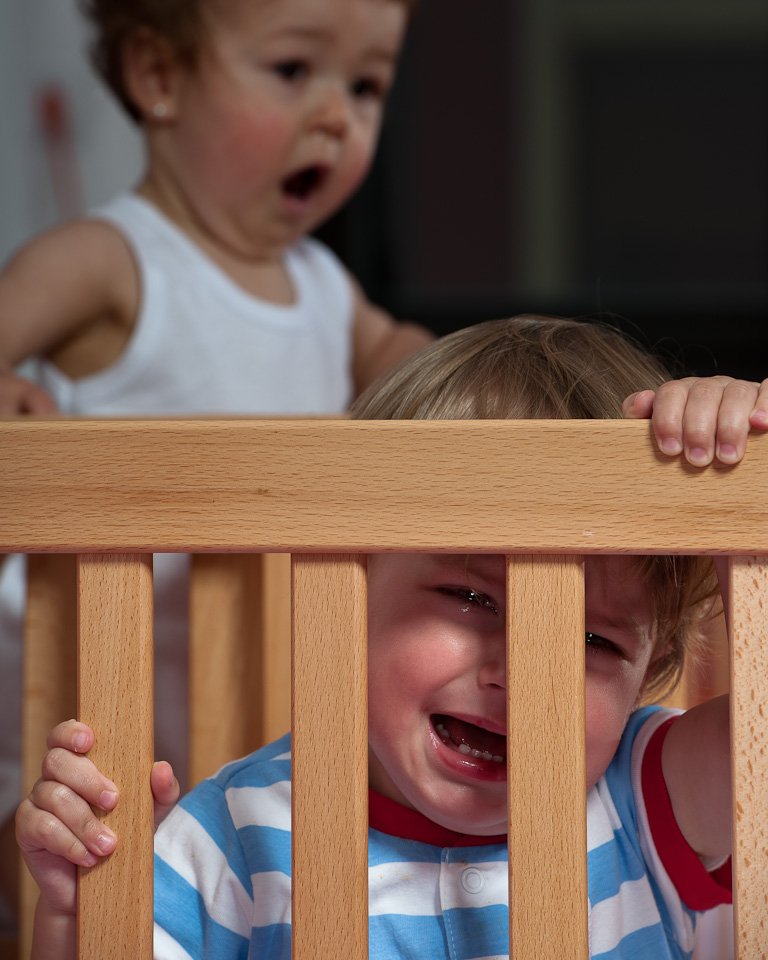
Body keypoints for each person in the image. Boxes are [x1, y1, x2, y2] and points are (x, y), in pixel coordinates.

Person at [15, 315, 768, 959]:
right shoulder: (236, 831)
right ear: (355, 584)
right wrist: (82, 915)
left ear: (652, 672)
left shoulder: (646, 794)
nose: (520, 670)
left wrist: (745, 480)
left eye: (597, 644)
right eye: (470, 597)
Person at [0, 0, 432, 921]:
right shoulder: (112, 261)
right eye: (292, 70)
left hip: (250, 713)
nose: (336, 115)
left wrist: (496, 388)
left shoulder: (326, 290)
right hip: (77, 715)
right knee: (62, 865)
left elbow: (414, 360)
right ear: (160, 78)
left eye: (365, 86)